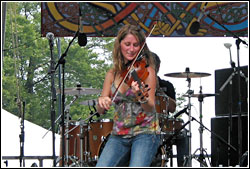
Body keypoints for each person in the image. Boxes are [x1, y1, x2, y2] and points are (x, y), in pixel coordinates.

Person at [96, 24, 161, 167]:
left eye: (135, 45)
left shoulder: (148, 71)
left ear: (141, 47)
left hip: (145, 132)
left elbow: (150, 107)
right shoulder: (112, 74)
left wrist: (140, 95)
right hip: (119, 133)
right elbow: (100, 111)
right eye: (127, 44)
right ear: (119, 45)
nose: (131, 49)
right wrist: (101, 101)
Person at [152, 52, 189, 167]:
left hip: (164, 124)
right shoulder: (138, 85)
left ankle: (183, 165)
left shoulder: (167, 85)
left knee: (183, 134)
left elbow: (172, 108)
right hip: (144, 124)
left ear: (157, 67)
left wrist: (160, 91)